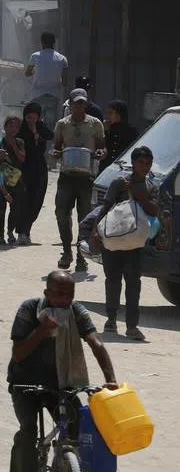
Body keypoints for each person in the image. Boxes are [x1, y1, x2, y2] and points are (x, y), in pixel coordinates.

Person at [7, 271, 119, 472]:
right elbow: (18, 354)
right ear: (46, 292)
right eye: (58, 294)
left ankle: (64, 464)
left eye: (69, 295)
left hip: (61, 381)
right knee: (28, 432)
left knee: (77, 426)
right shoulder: (29, 309)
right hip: (25, 383)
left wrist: (110, 380)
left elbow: (96, 342)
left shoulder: (76, 311)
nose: (64, 300)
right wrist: (42, 329)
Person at [84, 145, 157, 341]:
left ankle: (132, 326)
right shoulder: (119, 183)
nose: (145, 166)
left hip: (135, 244)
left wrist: (138, 194)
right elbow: (105, 208)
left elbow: (153, 211)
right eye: (141, 163)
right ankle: (111, 320)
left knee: (134, 284)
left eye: (148, 163)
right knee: (113, 281)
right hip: (113, 241)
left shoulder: (151, 186)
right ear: (133, 163)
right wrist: (95, 231)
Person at [52, 89, 106, 272]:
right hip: (66, 175)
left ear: (87, 104)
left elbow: (102, 148)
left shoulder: (95, 124)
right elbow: (56, 148)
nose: (79, 106)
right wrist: (56, 153)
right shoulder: (62, 124)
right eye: (76, 103)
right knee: (61, 213)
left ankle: (81, 257)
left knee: (84, 218)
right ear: (70, 103)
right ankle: (66, 251)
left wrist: (100, 154)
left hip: (86, 177)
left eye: (82, 103)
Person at [17, 102, 54, 245]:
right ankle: (22, 232)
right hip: (24, 169)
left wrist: (36, 134)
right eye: (28, 118)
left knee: (36, 200)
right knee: (24, 201)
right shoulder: (20, 129)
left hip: (39, 169)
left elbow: (50, 136)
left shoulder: (41, 127)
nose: (31, 121)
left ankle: (27, 230)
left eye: (34, 118)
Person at [0, 115, 28, 246]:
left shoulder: (20, 142)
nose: (13, 129)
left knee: (15, 208)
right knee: (0, 209)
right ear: (5, 127)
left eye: (16, 126)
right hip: (1, 181)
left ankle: (10, 232)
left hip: (16, 181)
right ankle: (0, 236)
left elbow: (22, 159)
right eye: (10, 126)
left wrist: (14, 146)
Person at [24, 32, 69, 128]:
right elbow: (65, 82)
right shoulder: (62, 59)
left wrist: (35, 72)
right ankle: (48, 143)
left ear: (42, 43)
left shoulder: (35, 56)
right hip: (53, 97)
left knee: (35, 124)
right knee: (50, 126)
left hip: (37, 96)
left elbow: (27, 73)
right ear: (54, 43)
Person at [99, 100, 137, 172]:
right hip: (105, 169)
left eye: (110, 113)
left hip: (122, 170)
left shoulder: (131, 131)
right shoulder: (106, 129)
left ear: (119, 114)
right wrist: (105, 131)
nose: (107, 116)